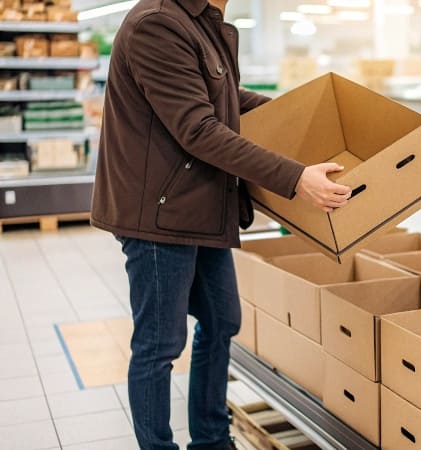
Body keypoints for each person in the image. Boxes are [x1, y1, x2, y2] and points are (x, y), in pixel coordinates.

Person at [90, 0, 352, 447]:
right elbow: (199, 128)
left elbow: (226, 100)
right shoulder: (157, 24)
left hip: (200, 205)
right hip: (158, 215)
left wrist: (299, 113)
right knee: (159, 344)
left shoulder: (201, 23)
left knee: (222, 320)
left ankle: (211, 440)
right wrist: (294, 178)